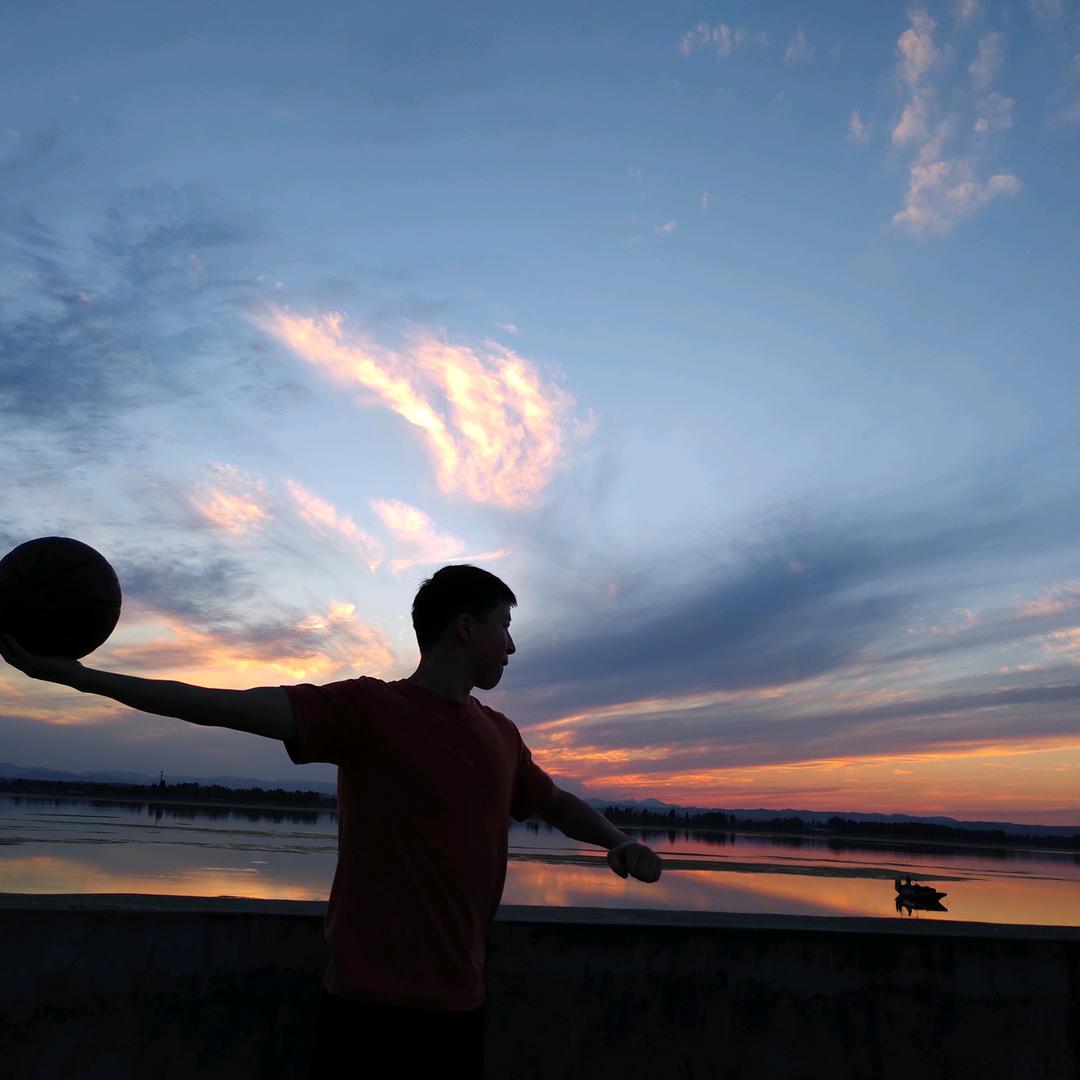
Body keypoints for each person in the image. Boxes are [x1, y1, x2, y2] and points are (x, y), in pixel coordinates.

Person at [0, 563, 662, 1077]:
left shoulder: (502, 735)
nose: (511, 645)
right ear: (465, 628)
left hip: (464, 1005)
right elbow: (220, 705)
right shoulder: (369, 710)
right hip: (367, 1009)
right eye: (504, 626)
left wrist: (617, 839)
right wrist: (83, 679)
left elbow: (553, 803)